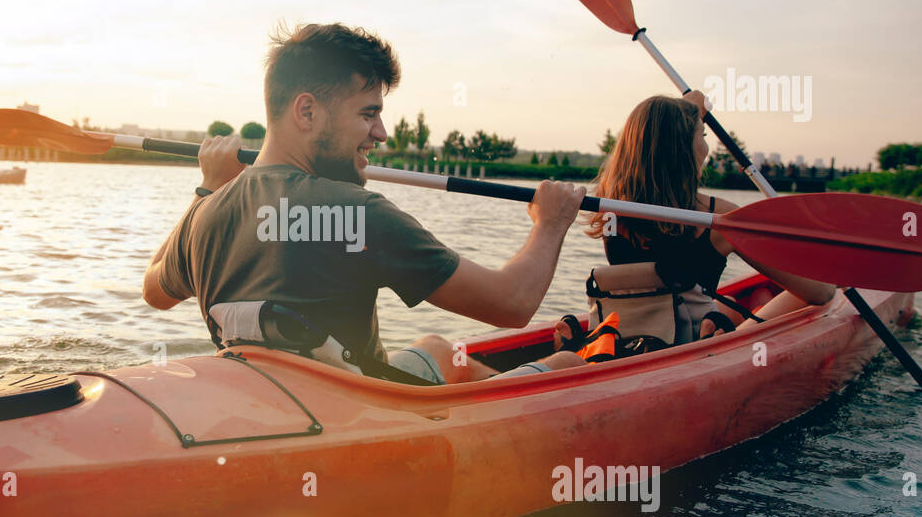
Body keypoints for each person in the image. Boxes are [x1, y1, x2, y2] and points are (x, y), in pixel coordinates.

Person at [142, 22, 588, 385]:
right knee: (569, 365)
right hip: (362, 415)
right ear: (307, 112)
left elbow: (154, 292)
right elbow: (511, 304)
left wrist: (207, 188)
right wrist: (550, 223)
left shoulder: (207, 214)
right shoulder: (356, 213)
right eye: (367, 113)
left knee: (437, 348)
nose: (381, 133)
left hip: (275, 406)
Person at [583, 90, 835, 341]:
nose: (706, 146)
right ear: (683, 149)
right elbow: (820, 292)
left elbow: (658, 136)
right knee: (823, 289)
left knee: (733, 305)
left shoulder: (612, 212)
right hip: (689, 338)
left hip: (631, 334)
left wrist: (686, 112)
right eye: (701, 135)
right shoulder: (720, 218)